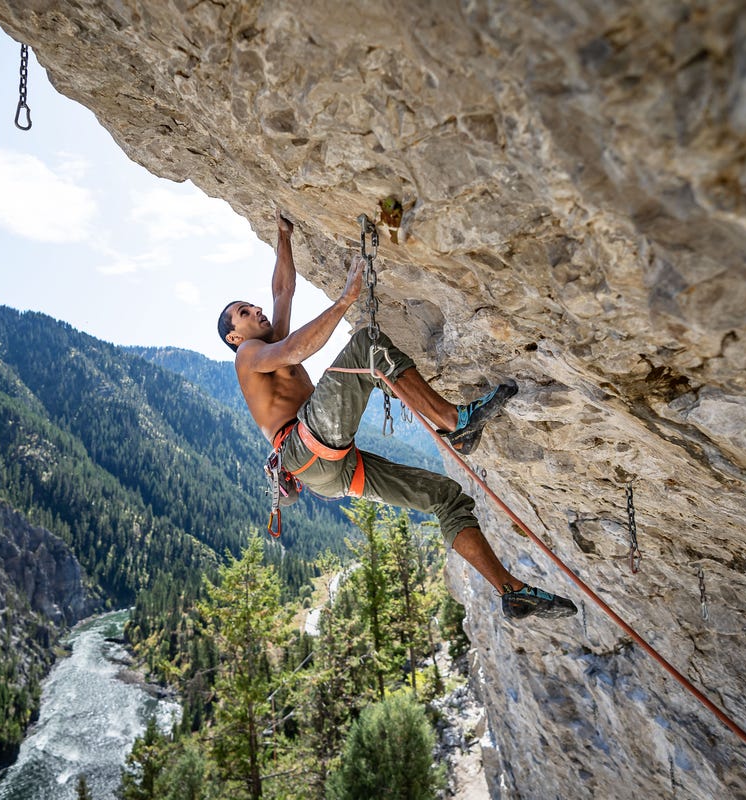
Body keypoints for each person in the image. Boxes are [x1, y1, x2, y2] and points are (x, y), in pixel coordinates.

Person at [217, 212, 576, 621]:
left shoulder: (267, 339)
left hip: (327, 467)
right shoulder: (248, 355)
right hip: (306, 446)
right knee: (366, 346)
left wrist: (283, 236)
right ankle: (453, 421)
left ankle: (509, 590)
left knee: (446, 498)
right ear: (235, 336)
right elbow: (296, 351)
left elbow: (283, 290)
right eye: (245, 312)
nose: (257, 309)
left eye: (252, 306)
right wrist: (346, 300)